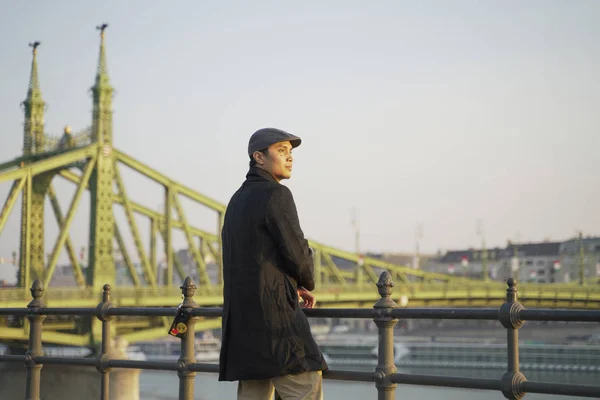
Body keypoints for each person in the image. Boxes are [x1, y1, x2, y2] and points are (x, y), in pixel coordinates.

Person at [218, 127, 328, 400]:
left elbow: (255, 259)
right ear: (259, 157)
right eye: (281, 151)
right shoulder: (277, 194)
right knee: (306, 387)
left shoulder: (236, 201)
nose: (290, 158)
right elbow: (295, 251)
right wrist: (304, 281)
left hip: (242, 326)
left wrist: (291, 284)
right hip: (276, 323)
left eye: (290, 152)